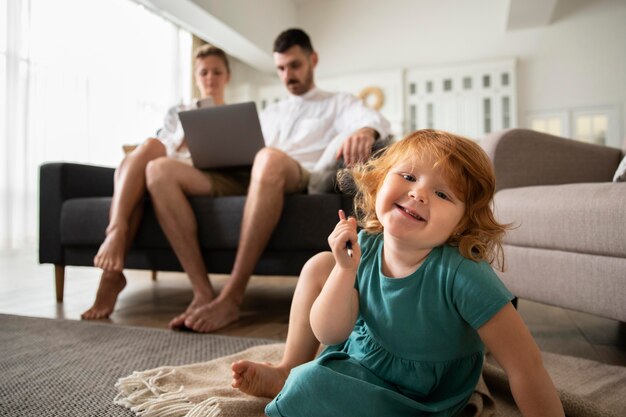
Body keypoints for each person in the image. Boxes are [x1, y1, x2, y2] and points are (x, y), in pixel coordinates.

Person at [231, 130, 565, 417]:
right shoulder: (366, 246)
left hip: (423, 392)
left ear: (461, 223)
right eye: (407, 177)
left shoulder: (464, 275)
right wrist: (345, 271)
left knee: (310, 385)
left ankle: (296, 379)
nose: (419, 193)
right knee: (321, 265)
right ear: (378, 183)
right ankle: (287, 367)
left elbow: (526, 367)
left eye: (443, 194)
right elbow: (330, 332)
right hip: (365, 352)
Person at [146, 28, 391, 333]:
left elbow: (374, 120)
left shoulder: (338, 102)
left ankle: (232, 297)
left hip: (296, 173)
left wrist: (366, 131)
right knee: (159, 170)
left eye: (295, 65)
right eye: (281, 68)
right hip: (250, 172)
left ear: (312, 60)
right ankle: (202, 291)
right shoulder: (271, 111)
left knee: (269, 158)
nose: (288, 75)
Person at [81, 45, 232, 320]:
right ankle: (115, 234)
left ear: (227, 76)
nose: (210, 78)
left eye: (217, 72)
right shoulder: (178, 112)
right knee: (148, 149)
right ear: (196, 77)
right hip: (161, 165)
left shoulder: (234, 115)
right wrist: (184, 137)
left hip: (198, 172)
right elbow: (162, 142)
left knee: (145, 165)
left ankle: (111, 271)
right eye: (204, 72)